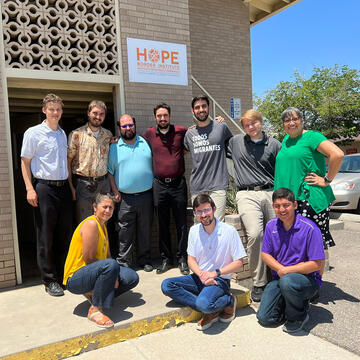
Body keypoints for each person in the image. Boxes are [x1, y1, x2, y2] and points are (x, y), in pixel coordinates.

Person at [161, 194, 246, 331]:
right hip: (199, 277)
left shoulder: (229, 231)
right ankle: (209, 306)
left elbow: (239, 263)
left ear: (214, 209)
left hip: (220, 280)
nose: (203, 215)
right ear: (195, 213)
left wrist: (214, 273)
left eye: (206, 210)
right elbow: (191, 259)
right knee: (167, 285)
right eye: (199, 211)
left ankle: (228, 301)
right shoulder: (194, 231)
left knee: (203, 304)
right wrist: (201, 274)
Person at [20, 93, 73, 297]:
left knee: (64, 233)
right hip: (44, 189)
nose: (55, 112)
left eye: (58, 109)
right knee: (46, 236)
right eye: (51, 109)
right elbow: (25, 162)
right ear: (44, 110)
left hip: (63, 189)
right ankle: (49, 280)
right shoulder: (33, 133)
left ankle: (63, 276)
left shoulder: (61, 133)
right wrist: (29, 188)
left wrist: (70, 188)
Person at [227, 109, 281, 302]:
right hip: (246, 193)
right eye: (247, 125)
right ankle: (259, 282)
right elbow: (215, 142)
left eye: (254, 123)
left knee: (277, 234)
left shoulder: (274, 144)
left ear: (261, 122)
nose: (251, 127)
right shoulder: (235, 142)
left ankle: (278, 276)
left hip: (270, 192)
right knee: (256, 234)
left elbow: (284, 168)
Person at [274, 107, 344, 255]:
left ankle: (315, 278)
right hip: (290, 201)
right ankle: (301, 278)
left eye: (295, 119)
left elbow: (337, 154)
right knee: (295, 247)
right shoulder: (287, 140)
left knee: (312, 248)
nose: (291, 123)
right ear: (283, 124)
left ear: (301, 120)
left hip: (308, 199)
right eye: (287, 120)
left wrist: (327, 179)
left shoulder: (312, 136)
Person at [63, 193, 139, 328]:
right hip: (75, 278)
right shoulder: (92, 224)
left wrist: (114, 276)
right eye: (104, 207)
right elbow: (89, 259)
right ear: (94, 207)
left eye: (111, 208)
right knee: (111, 265)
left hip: (95, 272)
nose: (108, 210)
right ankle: (95, 310)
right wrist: (111, 275)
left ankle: (97, 294)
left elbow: (108, 256)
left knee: (132, 277)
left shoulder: (103, 226)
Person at [256, 188, 325, 333]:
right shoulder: (271, 226)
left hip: (306, 280)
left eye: (286, 205)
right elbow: (265, 254)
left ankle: (298, 315)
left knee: (288, 282)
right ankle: (289, 305)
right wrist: (282, 269)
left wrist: (287, 271)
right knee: (265, 318)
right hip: (281, 278)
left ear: (295, 205)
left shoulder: (310, 228)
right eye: (277, 206)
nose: (282, 209)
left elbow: (317, 264)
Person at [142, 103, 189, 275]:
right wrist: (116, 139)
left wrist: (217, 120)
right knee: (162, 224)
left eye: (165, 115)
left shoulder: (181, 131)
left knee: (181, 224)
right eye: (159, 116)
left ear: (170, 116)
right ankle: (166, 259)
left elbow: (198, 130)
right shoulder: (149, 134)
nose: (162, 118)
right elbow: (133, 140)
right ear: (155, 117)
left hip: (178, 184)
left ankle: (182, 259)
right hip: (159, 185)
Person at [108, 114, 154, 271]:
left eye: (130, 125)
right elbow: (110, 172)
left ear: (135, 125)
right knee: (124, 231)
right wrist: (115, 191)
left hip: (146, 195)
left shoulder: (146, 143)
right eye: (124, 126)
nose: (128, 128)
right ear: (120, 128)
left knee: (145, 229)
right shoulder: (114, 147)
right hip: (124, 198)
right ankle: (124, 262)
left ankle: (144, 260)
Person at [184, 95, 233, 222]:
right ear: (192, 111)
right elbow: (182, 152)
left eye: (204, 106)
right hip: (198, 186)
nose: (201, 110)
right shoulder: (190, 133)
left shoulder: (221, 127)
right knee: (200, 225)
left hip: (218, 185)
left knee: (217, 224)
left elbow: (232, 146)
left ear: (209, 108)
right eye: (197, 107)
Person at [67, 100, 113, 223]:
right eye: (95, 113)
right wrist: (71, 186)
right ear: (88, 113)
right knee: (85, 223)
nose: (98, 117)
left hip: (103, 184)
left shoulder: (108, 135)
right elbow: (68, 161)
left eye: (101, 114)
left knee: (103, 222)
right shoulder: (76, 134)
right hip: (83, 185)